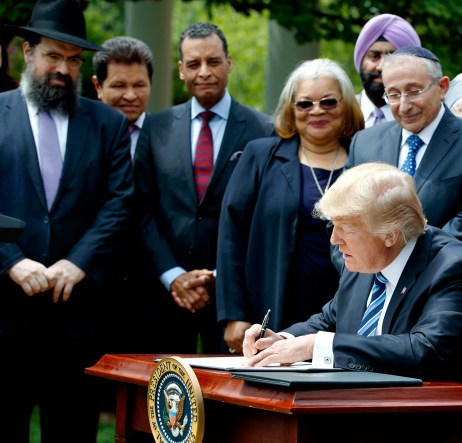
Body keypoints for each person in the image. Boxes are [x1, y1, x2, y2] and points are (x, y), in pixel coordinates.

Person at [241, 162, 462, 442]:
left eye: (346, 228)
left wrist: (314, 345)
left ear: (390, 235)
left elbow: (426, 352)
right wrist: (281, 340)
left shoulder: (457, 269)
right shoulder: (365, 261)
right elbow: (329, 319)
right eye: (333, 225)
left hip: (461, 432)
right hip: (380, 425)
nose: (334, 239)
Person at [0, 0, 133, 441]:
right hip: (4, 314)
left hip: (77, 318)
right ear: (27, 53)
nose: (63, 68)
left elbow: (119, 203)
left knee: (73, 432)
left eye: (73, 60)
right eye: (53, 56)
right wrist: (11, 262)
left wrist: (78, 262)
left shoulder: (108, 124)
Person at [133, 22, 272, 354]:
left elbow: (262, 217)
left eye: (213, 61)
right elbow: (140, 208)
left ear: (229, 62)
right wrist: (173, 275)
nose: (204, 72)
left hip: (236, 298)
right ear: (181, 70)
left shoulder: (264, 129)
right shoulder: (156, 126)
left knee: (228, 401)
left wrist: (217, 274)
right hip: (165, 294)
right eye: (194, 64)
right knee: (163, 399)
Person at [217, 58, 364, 353]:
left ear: (346, 105)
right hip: (269, 305)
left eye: (329, 102)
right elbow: (230, 235)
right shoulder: (261, 156)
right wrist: (234, 314)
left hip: (345, 311)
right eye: (304, 104)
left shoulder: (364, 158)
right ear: (290, 110)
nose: (317, 111)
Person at [346, 46, 462, 263]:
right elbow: (344, 215)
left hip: (439, 280)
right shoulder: (364, 143)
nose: (404, 105)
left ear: (442, 87)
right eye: (393, 94)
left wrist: (400, 265)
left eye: (413, 91)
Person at [353, 13, 420, 128]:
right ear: (361, 59)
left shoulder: (422, 119)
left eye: (393, 58)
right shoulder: (340, 113)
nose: (381, 67)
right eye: (375, 56)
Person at [92, 36, 153, 158]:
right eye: (119, 86)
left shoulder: (169, 137)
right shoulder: (81, 135)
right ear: (98, 86)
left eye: (139, 85)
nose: (130, 96)